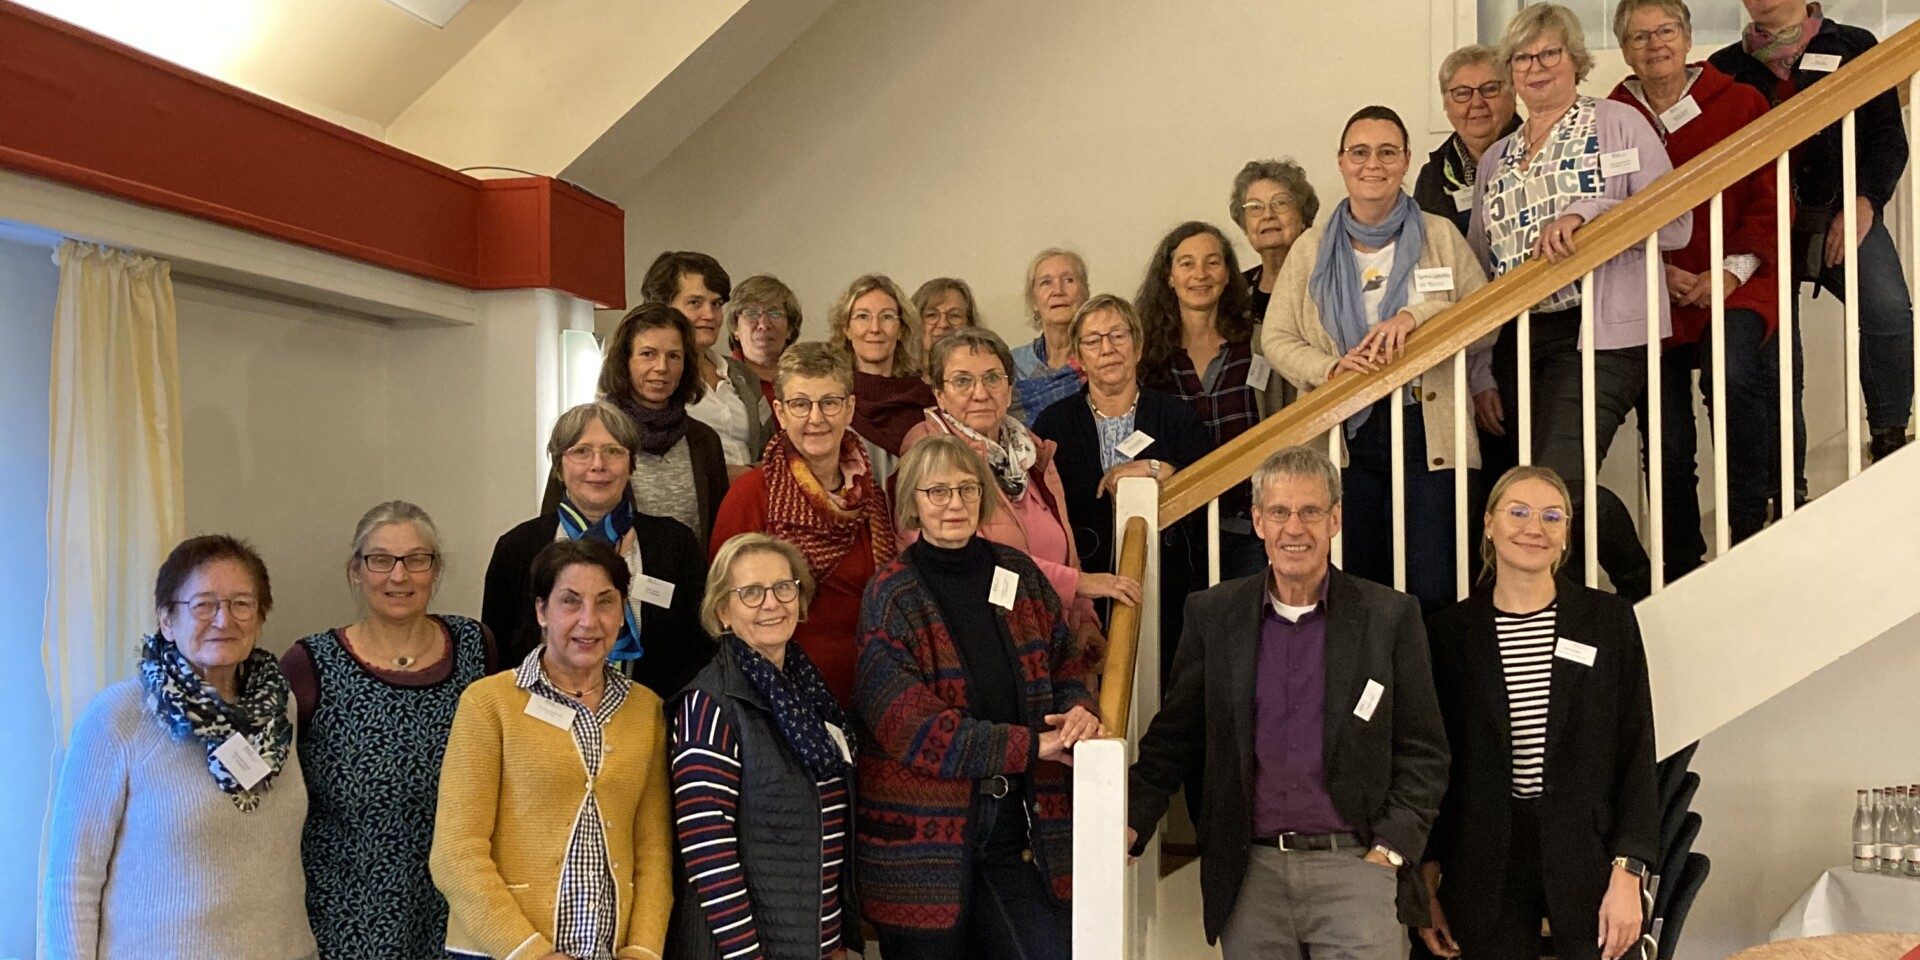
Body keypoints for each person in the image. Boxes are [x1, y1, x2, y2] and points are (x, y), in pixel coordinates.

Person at [1126, 445, 1449, 960]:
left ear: (1335, 519)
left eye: (1310, 511)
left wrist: (1391, 850)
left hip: (1357, 870)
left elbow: (1424, 751)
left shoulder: (1390, 617)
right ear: (1257, 521)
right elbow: (1176, 735)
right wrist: (1133, 818)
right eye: (1279, 512)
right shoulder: (1213, 615)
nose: (1294, 528)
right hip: (1250, 875)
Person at [1467, 2, 1690, 596]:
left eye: (1550, 53)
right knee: (1538, 487)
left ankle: (1639, 586)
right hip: (1519, 343)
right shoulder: (1496, 160)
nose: (1536, 67)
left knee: (1553, 485)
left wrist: (1588, 212)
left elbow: (1678, 224)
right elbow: (1480, 278)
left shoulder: (1619, 123)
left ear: (1575, 60)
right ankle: (1635, 581)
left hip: (1600, 331)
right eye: (1523, 57)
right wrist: (1481, 368)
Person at [853, 436, 1102, 959]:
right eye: (937, 491)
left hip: (1019, 825)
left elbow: (1064, 662)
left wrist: (1079, 709)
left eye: (967, 489)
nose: (954, 504)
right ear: (913, 503)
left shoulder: (1018, 572)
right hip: (921, 844)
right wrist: (1031, 746)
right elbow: (908, 726)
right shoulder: (890, 593)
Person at [1419, 466, 1659, 960]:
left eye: (1553, 516)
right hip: (1482, 860)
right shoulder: (1448, 633)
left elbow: (1636, 750)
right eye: (1519, 512)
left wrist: (1629, 872)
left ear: (1566, 535)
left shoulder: (1608, 622)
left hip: (1587, 855)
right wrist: (1425, 881)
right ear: (1489, 524)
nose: (1535, 528)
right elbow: (1433, 765)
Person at [1264, 105, 1495, 613]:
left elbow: (1486, 320)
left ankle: (1431, 693)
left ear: (1407, 160)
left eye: (1387, 152)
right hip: (1346, 438)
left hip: (1428, 434)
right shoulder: (1310, 248)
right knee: (1358, 592)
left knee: (1438, 587)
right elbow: (1278, 338)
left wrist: (1417, 316)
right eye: (1360, 152)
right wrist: (1329, 370)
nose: (1374, 164)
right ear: (1342, 162)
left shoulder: (1439, 236)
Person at [41, 535, 317, 960]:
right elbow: (72, 879)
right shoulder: (119, 716)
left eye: (241, 603)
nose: (224, 620)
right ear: (167, 620)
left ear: (260, 618)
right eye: (203, 605)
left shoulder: (282, 711)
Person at [432, 538, 674, 960]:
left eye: (605, 602)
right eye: (570, 601)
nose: (588, 620)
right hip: (503, 950)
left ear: (622, 614)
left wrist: (643, 950)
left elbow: (653, 853)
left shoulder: (646, 710)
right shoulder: (490, 703)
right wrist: (530, 953)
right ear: (542, 611)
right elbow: (455, 852)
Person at [1611, 0, 1786, 582]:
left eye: (1666, 31)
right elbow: (1602, 214)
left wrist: (1728, 272)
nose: (1654, 44)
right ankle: (1680, 564)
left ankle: (1747, 531)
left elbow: (1770, 194)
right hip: (1647, 289)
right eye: (1639, 36)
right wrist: (1654, 272)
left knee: (1733, 375)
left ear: (1687, 38)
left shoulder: (1741, 102)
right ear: (1623, 47)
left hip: (1735, 282)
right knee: (1665, 436)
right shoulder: (1606, 117)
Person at [284, 501, 494, 959]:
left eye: (417, 559)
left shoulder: (477, 648)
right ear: (355, 571)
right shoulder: (311, 663)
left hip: (460, 916)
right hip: (347, 921)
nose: (399, 576)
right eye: (380, 560)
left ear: (435, 571)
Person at [1712, 0, 1912, 463]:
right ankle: (1788, 481)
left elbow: (1887, 137)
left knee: (1888, 311)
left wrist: (1865, 202)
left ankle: (1889, 436)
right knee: (1781, 353)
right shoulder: (1724, 68)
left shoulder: (1854, 46)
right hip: (1762, 225)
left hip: (1841, 211)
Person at [902, 326, 1141, 677]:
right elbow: (967, 560)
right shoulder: (927, 452)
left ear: (1010, 387)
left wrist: (1085, 616)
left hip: (1049, 645)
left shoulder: (1030, 449)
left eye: (993, 378)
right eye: (962, 381)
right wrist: (1078, 582)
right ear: (939, 392)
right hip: (979, 653)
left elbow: (1066, 545)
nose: (980, 392)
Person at [667, 533, 860, 960]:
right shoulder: (708, 705)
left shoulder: (808, 690)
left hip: (817, 942)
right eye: (750, 593)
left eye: (783, 588)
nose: (771, 603)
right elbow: (707, 853)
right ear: (723, 612)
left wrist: (836, 940)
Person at [1031, 293, 1210, 682]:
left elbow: (1210, 481)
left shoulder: (1176, 414)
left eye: (1118, 336)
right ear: (1078, 356)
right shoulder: (1052, 424)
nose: (1107, 349)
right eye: (1093, 341)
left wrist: (1159, 468)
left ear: (1139, 346)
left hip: (1168, 583)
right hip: (1085, 591)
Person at [710, 342, 898, 706]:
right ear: (780, 412)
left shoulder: (871, 497)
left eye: (829, 402)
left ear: (849, 409)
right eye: (800, 404)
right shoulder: (752, 495)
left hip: (871, 690)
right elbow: (725, 611)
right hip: (779, 697)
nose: (816, 418)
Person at [484, 401, 711, 698]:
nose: (598, 465)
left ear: (631, 465)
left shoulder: (674, 543)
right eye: (581, 451)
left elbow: (699, 647)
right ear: (559, 467)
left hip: (650, 721)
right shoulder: (517, 548)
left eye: (613, 451)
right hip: (540, 721)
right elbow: (497, 653)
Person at [1137, 220, 1287, 581]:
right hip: (1176, 530)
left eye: (1212, 262)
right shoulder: (1145, 355)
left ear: (1227, 274)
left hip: (1251, 527)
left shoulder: (1259, 343)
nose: (1200, 274)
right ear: (1169, 277)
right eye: (1187, 263)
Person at [597, 302, 732, 543]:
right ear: (625, 360)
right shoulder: (592, 436)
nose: (662, 367)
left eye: (673, 356)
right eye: (648, 354)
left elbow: (718, 537)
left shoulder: (704, 441)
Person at [644, 250, 774, 475]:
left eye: (716, 304)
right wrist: (728, 477)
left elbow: (770, 448)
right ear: (662, 308)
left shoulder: (742, 375)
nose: (710, 315)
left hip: (746, 500)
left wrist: (751, 478)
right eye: (695, 302)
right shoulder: (648, 375)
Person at [827, 273, 935, 476]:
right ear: (846, 329)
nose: (875, 328)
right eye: (862, 317)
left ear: (901, 329)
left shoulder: (927, 400)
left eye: (886, 317)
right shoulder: (831, 398)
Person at [1415, 45, 1523, 237]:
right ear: (1445, 104)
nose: (1476, 102)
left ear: (1513, 94)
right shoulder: (1432, 177)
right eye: (1462, 93)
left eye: (1490, 89)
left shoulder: (1541, 154)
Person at [1231, 159, 1319, 327]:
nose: (1268, 215)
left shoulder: (1325, 279)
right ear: (1244, 225)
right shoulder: (1236, 291)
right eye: (1255, 207)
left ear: (1303, 217)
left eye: (1280, 203)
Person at [1010, 248, 1092, 425]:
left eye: (1068, 280)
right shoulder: (1011, 365)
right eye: (1046, 282)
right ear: (1033, 301)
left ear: (1085, 294)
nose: (1058, 290)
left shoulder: (1101, 358)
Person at [727, 273, 805, 409]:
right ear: (735, 328)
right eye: (751, 314)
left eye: (774, 314)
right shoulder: (722, 380)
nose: (763, 324)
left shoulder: (809, 376)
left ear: (790, 329)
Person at [914, 276, 982, 357]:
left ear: (970, 323)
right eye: (931, 315)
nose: (943, 324)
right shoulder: (897, 368)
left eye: (954, 315)